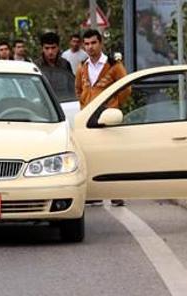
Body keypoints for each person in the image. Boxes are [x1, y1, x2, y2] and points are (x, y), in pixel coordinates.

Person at [75, 29, 130, 207]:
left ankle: (116, 193)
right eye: (87, 44)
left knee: (113, 154)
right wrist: (84, 103)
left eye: (93, 43)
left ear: (100, 43)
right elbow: (78, 89)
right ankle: (95, 192)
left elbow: (126, 88)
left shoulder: (114, 65)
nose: (90, 47)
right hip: (89, 116)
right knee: (91, 154)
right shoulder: (83, 67)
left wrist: (113, 104)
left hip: (108, 115)